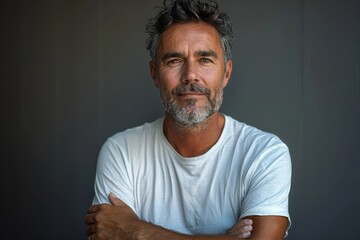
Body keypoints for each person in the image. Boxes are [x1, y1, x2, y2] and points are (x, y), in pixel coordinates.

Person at [85, 0, 292, 239]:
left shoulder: (264, 154)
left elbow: (123, 232)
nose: (190, 75)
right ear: (155, 74)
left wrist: (135, 231)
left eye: (205, 60)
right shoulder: (120, 152)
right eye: (174, 61)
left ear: (226, 73)